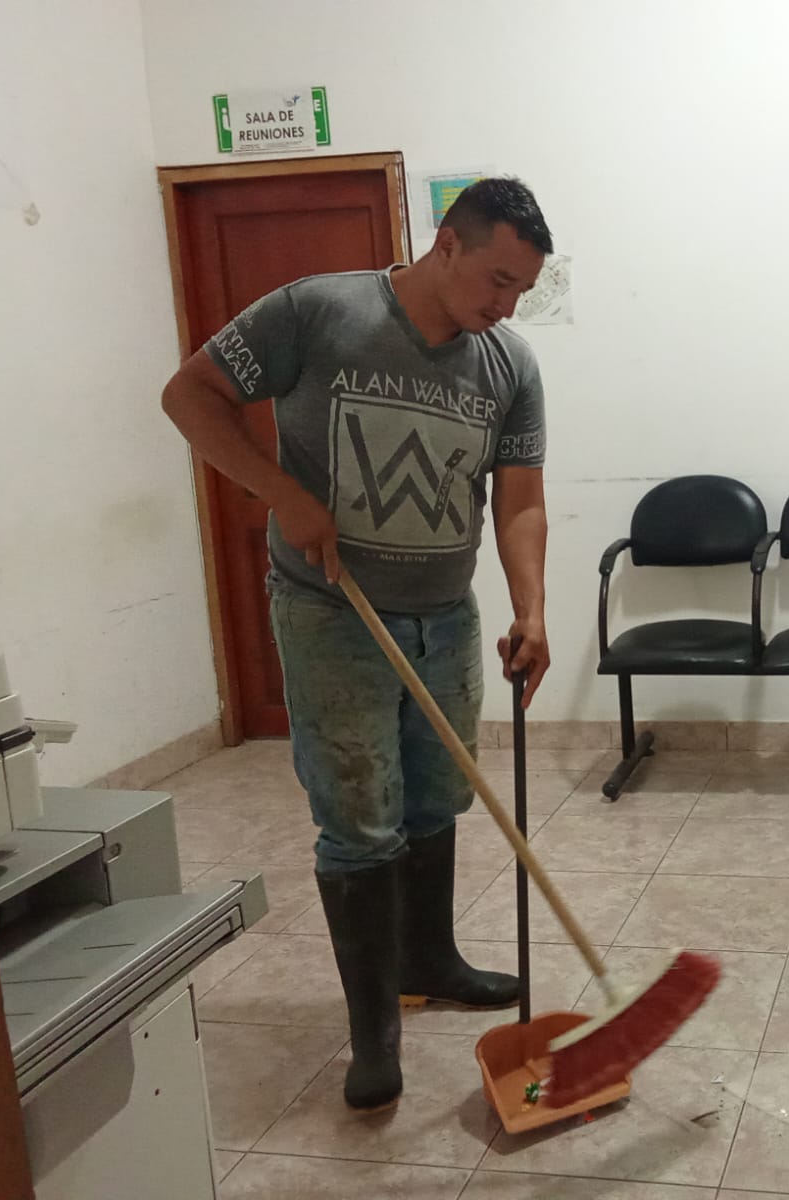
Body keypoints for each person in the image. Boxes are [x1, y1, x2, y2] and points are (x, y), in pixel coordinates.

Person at [162, 177, 554, 1111]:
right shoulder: (319, 312)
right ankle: (374, 1034)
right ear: (446, 246)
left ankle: (431, 960)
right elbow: (190, 395)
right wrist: (280, 493)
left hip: (446, 616)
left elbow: (521, 500)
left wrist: (532, 610)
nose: (506, 307)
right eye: (498, 280)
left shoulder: (508, 363)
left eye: (523, 291)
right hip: (333, 611)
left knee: (435, 797)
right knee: (359, 818)